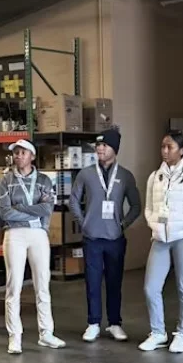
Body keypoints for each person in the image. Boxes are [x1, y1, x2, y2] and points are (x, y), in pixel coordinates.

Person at [68, 127, 142, 342]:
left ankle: (114, 323)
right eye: (98, 145)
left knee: (114, 282)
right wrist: (84, 223)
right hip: (92, 238)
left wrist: (123, 224)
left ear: (114, 149)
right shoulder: (86, 173)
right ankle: (93, 322)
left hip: (115, 239)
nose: (100, 148)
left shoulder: (126, 176)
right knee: (92, 281)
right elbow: (74, 200)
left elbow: (136, 206)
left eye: (104, 145)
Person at [139, 130, 183, 353]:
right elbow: (148, 208)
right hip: (160, 237)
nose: (165, 151)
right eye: (163, 147)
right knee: (151, 287)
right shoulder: (154, 176)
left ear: (182, 150)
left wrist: (179, 223)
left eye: (170, 147)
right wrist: (153, 224)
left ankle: (182, 333)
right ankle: (158, 332)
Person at [0, 139, 66, 354]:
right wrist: (31, 211)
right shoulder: (6, 180)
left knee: (42, 284)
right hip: (14, 234)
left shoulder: (44, 180)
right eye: (16, 153)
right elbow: (5, 212)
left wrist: (22, 208)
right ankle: (14, 336)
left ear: (32, 156)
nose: (18, 156)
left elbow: (47, 209)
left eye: (22, 152)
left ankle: (46, 333)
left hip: (38, 234)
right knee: (14, 285)